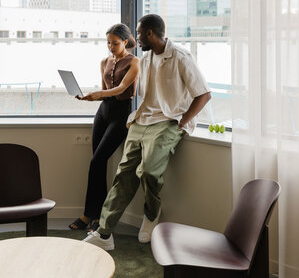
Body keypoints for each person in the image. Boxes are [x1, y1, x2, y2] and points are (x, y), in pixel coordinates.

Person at [83, 14, 211, 250]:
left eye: (139, 33)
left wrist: (182, 122)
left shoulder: (181, 57)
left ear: (150, 34)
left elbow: (203, 94)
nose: (135, 38)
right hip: (142, 120)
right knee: (124, 175)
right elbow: (135, 92)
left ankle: (151, 214)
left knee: (150, 171)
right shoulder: (146, 59)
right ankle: (104, 234)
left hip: (169, 121)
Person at [68, 23, 140, 231]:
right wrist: (91, 97)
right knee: (96, 164)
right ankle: (94, 215)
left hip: (121, 114)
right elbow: (104, 90)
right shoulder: (104, 61)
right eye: (108, 42)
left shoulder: (135, 62)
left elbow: (121, 88)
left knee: (98, 160)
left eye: (115, 43)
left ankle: (93, 216)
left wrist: (98, 95)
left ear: (125, 42)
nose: (110, 47)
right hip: (103, 112)